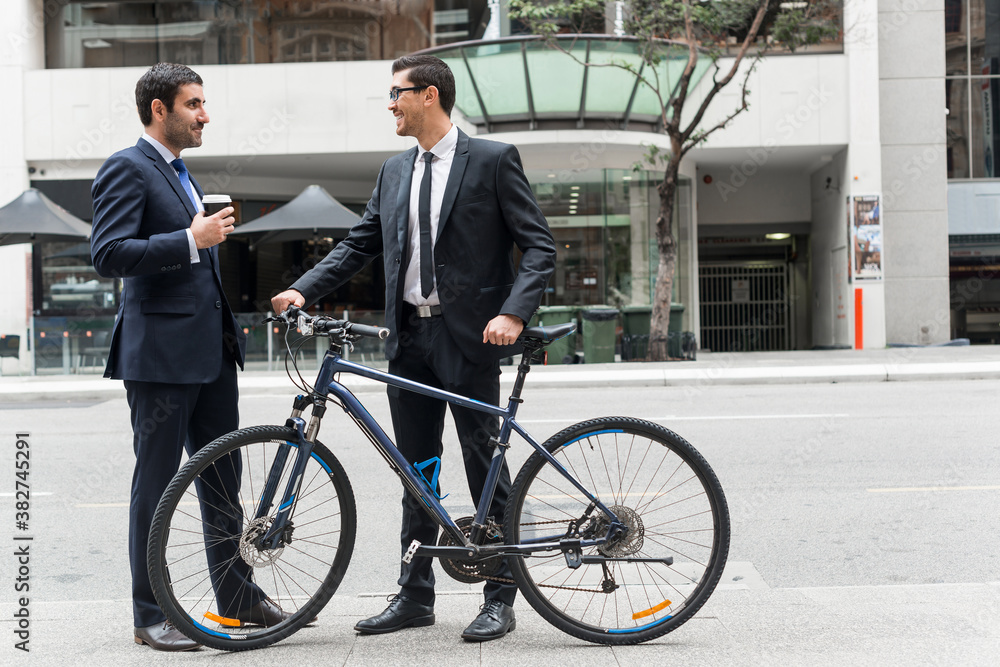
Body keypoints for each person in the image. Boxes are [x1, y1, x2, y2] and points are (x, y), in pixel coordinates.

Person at [271, 54, 556, 642]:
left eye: (397, 94)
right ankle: (415, 594)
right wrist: (301, 289)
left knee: (484, 462)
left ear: (429, 95)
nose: (391, 105)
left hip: (473, 337)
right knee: (415, 468)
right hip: (410, 338)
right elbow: (359, 245)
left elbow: (538, 245)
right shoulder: (394, 171)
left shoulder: (493, 160)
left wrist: (512, 312)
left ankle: (500, 593)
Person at [91, 63, 289, 651]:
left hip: (211, 354)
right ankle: (151, 613)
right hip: (159, 357)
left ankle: (238, 598)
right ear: (159, 109)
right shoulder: (127, 167)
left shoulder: (180, 173)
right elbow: (108, 253)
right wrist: (189, 240)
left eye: (204, 103)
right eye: (194, 104)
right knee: (155, 486)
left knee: (223, 480)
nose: (206, 115)